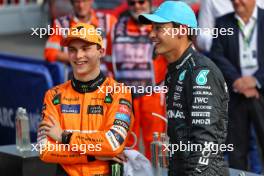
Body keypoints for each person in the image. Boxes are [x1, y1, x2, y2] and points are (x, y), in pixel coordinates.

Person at [139, 1, 230, 175]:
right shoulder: (176, 70)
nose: (151, 34)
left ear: (182, 30)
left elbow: (205, 145)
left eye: (158, 28)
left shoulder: (200, 72)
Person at [38, 23, 134, 176]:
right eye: (73, 50)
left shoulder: (118, 92)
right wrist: (92, 155)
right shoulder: (53, 95)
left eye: (85, 48)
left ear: (100, 51)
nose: (78, 56)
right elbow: (45, 149)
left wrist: (64, 137)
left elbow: (113, 142)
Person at [210, 0, 264, 171]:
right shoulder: (222, 22)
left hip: (261, 91)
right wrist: (239, 81)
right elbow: (216, 54)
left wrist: (255, 80)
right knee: (236, 150)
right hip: (236, 93)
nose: (236, 2)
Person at [111, 0, 167, 160]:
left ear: (150, 3)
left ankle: (158, 173)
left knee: (156, 142)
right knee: (128, 142)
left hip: (153, 94)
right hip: (126, 96)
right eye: (132, 2)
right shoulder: (117, 26)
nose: (137, 6)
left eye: (141, 1)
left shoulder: (160, 24)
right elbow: (108, 59)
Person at [44, 0, 116, 74]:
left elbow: (118, 54)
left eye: (84, 1)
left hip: (103, 75)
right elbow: (50, 53)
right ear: (72, 3)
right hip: (73, 75)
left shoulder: (108, 21)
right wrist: (79, 59)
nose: (81, 6)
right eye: (77, 1)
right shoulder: (61, 24)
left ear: (91, 1)